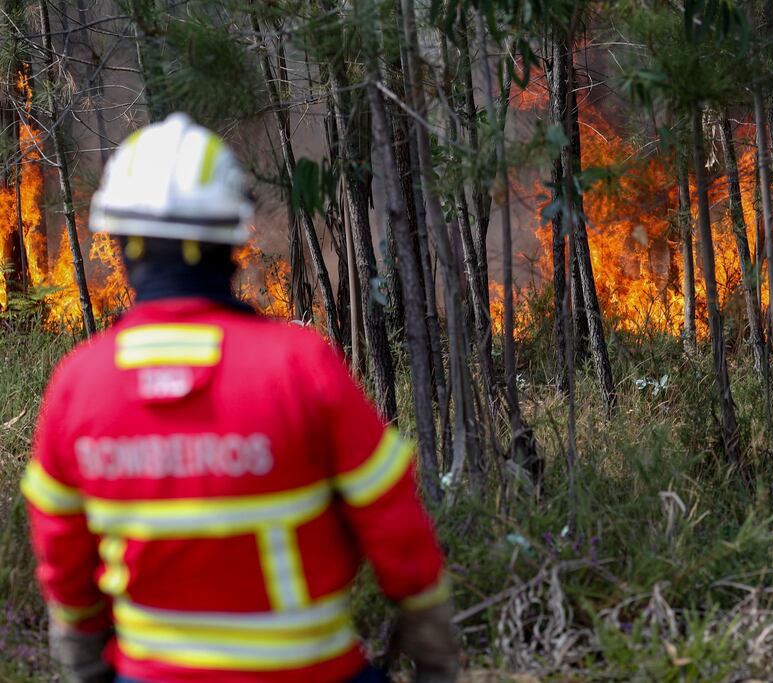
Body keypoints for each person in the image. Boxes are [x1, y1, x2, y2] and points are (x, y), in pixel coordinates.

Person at [20, 113, 459, 683]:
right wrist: (431, 642)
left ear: (122, 246)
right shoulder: (299, 365)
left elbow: (60, 543)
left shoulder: (81, 383)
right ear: (234, 239)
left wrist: (80, 649)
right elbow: (392, 515)